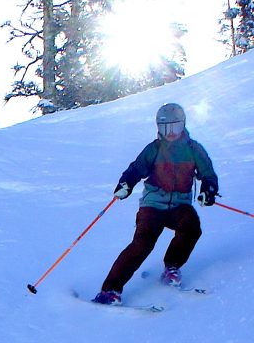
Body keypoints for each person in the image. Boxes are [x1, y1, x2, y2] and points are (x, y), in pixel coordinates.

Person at [93, 102, 219, 305]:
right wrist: (125, 184)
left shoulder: (194, 149)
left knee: (192, 228)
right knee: (143, 243)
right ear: (158, 128)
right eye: (165, 128)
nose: (170, 133)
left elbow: (208, 174)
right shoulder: (154, 149)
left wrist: (208, 190)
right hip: (153, 205)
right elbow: (135, 169)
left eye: (175, 127)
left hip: (179, 204)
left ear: (183, 125)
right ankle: (110, 290)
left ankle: (172, 266)